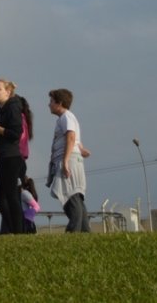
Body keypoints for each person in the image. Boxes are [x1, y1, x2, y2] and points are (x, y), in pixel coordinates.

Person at [46, 88, 91, 233]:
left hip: (68, 160)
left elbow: (71, 136)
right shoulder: (69, 117)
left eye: (51, 101)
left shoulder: (66, 117)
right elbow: (75, 139)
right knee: (75, 197)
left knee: (70, 197)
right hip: (73, 158)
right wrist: (81, 150)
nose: (49, 104)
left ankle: (73, 232)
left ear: (59, 103)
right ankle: (85, 232)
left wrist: (65, 161)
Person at [0, 78, 25, 234]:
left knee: (10, 197)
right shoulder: (5, 109)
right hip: (4, 158)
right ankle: (15, 229)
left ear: (8, 92)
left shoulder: (13, 108)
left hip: (11, 157)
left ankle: (19, 232)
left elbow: (15, 133)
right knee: (0, 199)